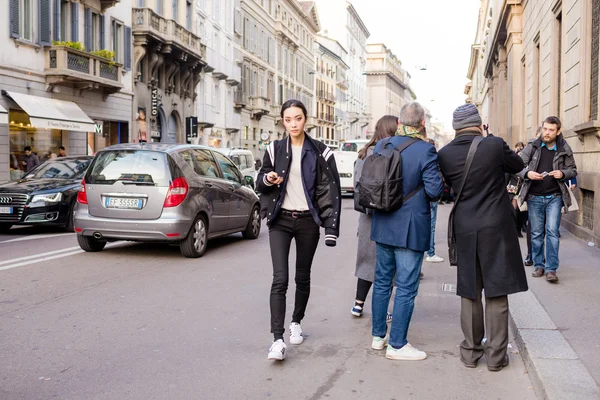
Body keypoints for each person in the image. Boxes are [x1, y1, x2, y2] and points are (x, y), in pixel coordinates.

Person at [438, 103, 528, 372]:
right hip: (496, 226)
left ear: (455, 127)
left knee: (470, 290)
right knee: (497, 291)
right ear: (479, 123)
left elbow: (444, 188)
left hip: (465, 226)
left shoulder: (444, 154)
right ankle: (497, 357)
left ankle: (471, 351)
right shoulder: (493, 144)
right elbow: (518, 164)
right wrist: (489, 138)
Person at [256, 99, 341, 361]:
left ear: (306, 119)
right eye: (288, 119)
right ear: (283, 121)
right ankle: (277, 340)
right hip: (280, 220)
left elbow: (332, 189)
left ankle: (296, 321)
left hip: (307, 222)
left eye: (298, 118)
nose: (293, 124)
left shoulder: (321, 151)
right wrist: (268, 178)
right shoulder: (274, 149)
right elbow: (260, 180)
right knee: (279, 278)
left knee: (302, 276)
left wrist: (330, 227)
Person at [369, 102, 443, 361]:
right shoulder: (426, 150)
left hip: (382, 223)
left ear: (400, 122)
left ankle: (378, 337)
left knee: (381, 283)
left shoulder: (382, 145)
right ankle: (397, 345)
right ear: (422, 124)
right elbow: (435, 191)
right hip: (410, 227)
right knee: (406, 287)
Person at [518, 116, 577, 283]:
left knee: (552, 232)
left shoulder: (564, 147)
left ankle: (551, 269)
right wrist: (527, 173)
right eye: (545, 129)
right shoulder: (532, 146)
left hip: (555, 197)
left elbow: (573, 169)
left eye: (551, 130)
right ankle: (539, 265)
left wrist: (563, 174)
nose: (547, 133)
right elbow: (517, 165)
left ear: (558, 131)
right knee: (536, 233)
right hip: (534, 197)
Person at [351, 115, 397, 318]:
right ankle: (384, 309)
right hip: (389, 216)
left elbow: (356, 186)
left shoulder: (364, 154)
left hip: (367, 215)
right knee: (387, 265)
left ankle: (358, 304)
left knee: (367, 261)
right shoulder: (394, 154)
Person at [425, 138, 444, 263]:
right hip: (431, 197)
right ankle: (430, 253)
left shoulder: (419, 156)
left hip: (420, 197)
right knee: (431, 226)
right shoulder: (434, 159)